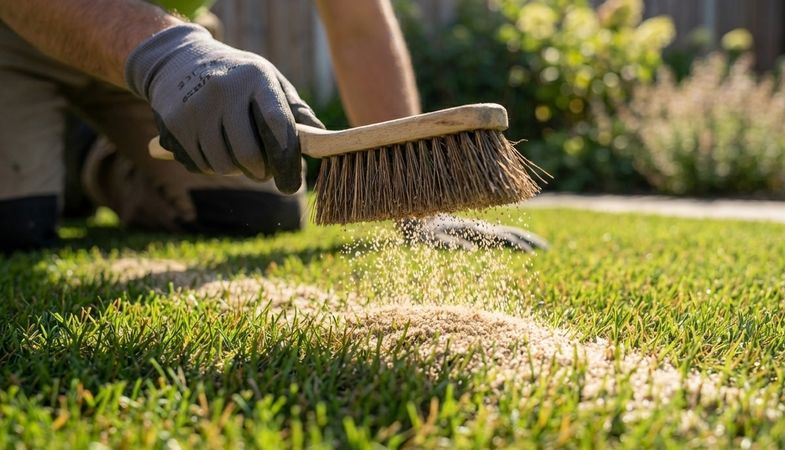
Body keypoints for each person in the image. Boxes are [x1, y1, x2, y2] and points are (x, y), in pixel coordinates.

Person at [0, 0, 546, 253]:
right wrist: (171, 53)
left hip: (167, 53)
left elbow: (357, 25)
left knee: (254, 212)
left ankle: (89, 157)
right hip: (20, 38)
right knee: (16, 230)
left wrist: (417, 209)